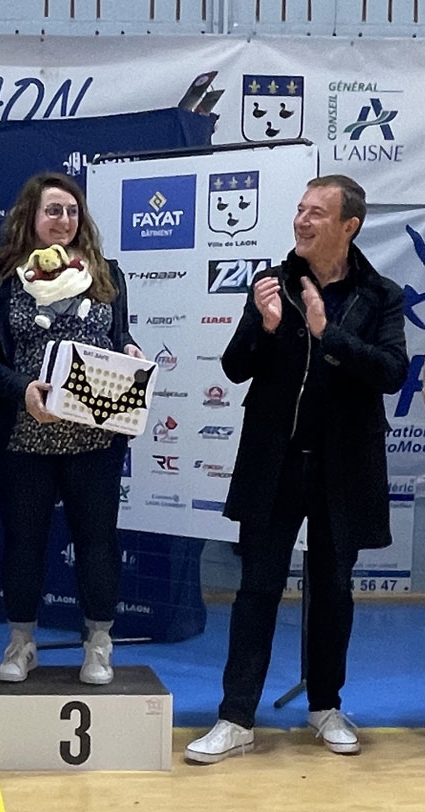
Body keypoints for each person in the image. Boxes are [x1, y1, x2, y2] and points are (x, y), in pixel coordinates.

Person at [186, 175, 408, 763]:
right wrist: (265, 328)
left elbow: (392, 372)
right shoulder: (273, 283)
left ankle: (325, 707)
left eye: (316, 213)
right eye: (300, 210)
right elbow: (235, 367)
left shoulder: (380, 294)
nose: (302, 221)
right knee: (256, 589)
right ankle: (236, 717)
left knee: (333, 591)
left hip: (345, 468)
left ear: (348, 226)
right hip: (275, 464)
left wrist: (327, 333)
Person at [0, 172, 142, 686]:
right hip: (23, 430)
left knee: (97, 540)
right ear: (32, 216)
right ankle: (21, 643)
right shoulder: (1, 276)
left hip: (95, 432)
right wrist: (22, 389)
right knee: (24, 540)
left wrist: (130, 349)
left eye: (71, 211)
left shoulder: (106, 273)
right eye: (53, 211)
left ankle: (99, 643)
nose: (64, 220)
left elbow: (120, 335)